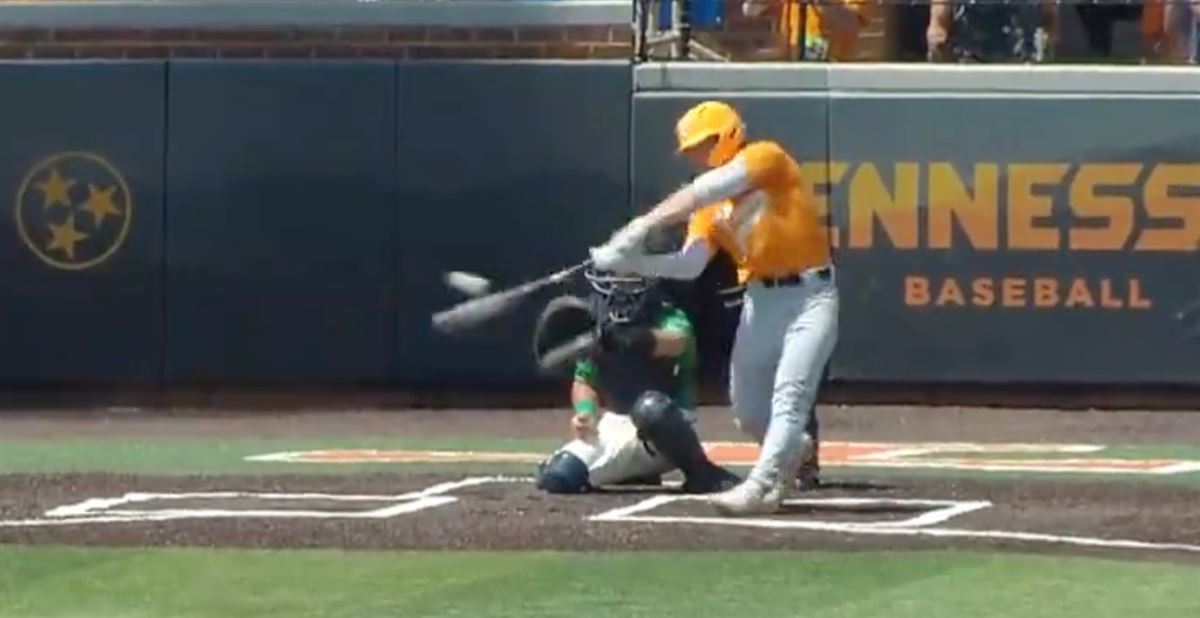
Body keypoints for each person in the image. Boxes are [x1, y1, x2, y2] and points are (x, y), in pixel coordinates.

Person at [589, 100, 838, 515]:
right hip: (761, 299)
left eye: (701, 146)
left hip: (811, 296)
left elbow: (703, 189)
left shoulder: (765, 158)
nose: (696, 156)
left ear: (725, 135)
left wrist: (642, 226)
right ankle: (795, 449)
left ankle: (760, 486)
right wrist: (629, 263)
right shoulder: (709, 210)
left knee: (789, 396)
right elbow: (689, 265)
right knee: (747, 411)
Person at [533, 268, 742, 495]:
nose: (620, 289)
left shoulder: (667, 315)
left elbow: (677, 342)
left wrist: (619, 338)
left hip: (667, 430)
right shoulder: (595, 325)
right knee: (558, 477)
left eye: (629, 280)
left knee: (651, 408)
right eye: (615, 279)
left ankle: (701, 472)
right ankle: (634, 470)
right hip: (616, 424)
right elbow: (584, 380)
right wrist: (586, 413)